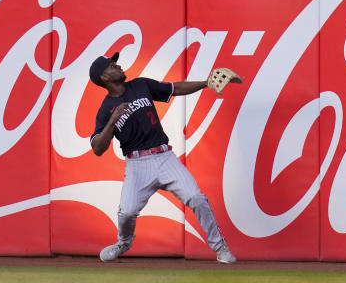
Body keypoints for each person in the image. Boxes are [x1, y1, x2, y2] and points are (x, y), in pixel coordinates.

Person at [89, 52, 238, 264]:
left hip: (164, 156)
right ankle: (124, 242)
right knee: (127, 213)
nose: (118, 66)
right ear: (104, 78)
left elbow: (174, 88)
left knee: (196, 198)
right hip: (137, 164)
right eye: (112, 66)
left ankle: (220, 247)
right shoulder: (105, 110)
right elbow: (97, 148)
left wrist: (206, 83)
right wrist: (112, 121)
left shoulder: (140, 85)